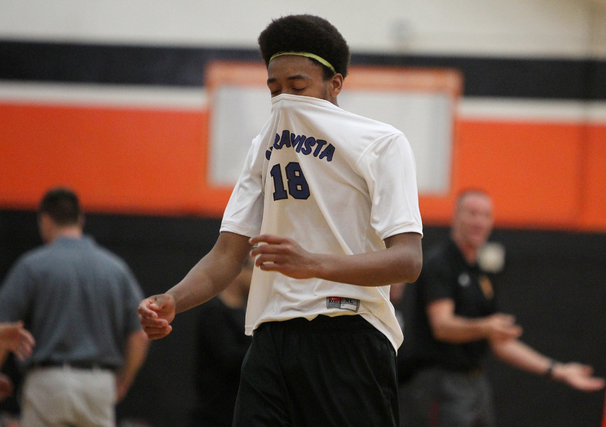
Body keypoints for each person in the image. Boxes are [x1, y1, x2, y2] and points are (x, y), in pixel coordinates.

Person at [138, 14, 423, 427]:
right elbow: (226, 255)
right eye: (275, 89)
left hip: (349, 334)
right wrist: (173, 300)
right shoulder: (262, 147)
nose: (284, 98)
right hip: (271, 337)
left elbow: (408, 261)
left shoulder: (381, 142)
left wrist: (315, 264)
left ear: (335, 84)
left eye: (298, 87)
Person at [397, 189, 606, 427]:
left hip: (476, 383)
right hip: (439, 382)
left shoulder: (481, 274)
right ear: (455, 217)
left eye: (485, 215)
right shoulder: (440, 263)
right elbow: (443, 326)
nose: (479, 221)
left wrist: (558, 370)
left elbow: (500, 341)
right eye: (472, 213)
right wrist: (486, 326)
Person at [0, 187, 149, 427]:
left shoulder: (32, 266)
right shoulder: (115, 268)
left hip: (47, 382)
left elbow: (3, 328)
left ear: (45, 220)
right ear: (80, 219)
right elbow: (140, 334)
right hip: (98, 383)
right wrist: (123, 381)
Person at [189, 258, 252, 427]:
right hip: (216, 413)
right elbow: (228, 358)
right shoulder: (214, 313)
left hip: (240, 410)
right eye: (254, 269)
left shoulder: (248, 314)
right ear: (238, 272)